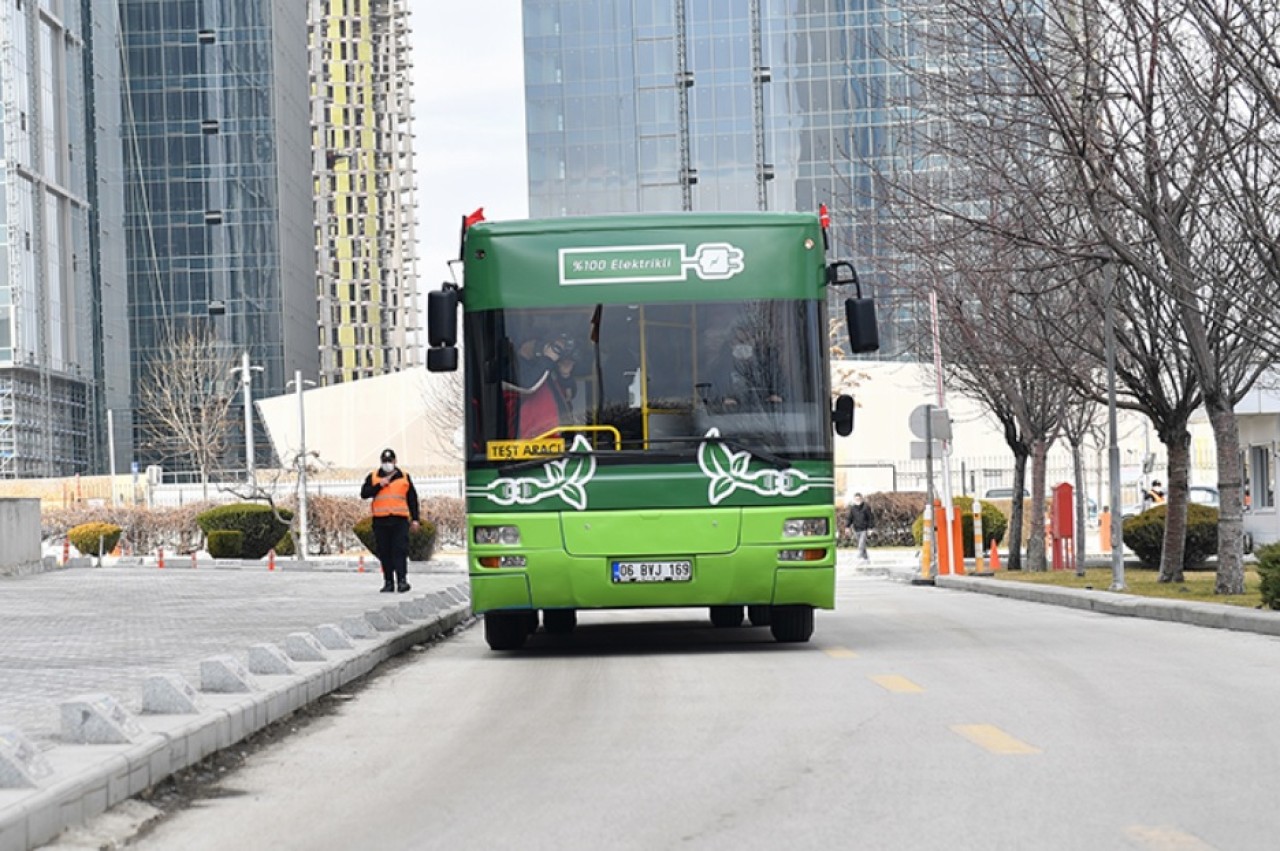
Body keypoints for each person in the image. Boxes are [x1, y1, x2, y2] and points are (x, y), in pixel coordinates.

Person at [360, 448, 420, 593]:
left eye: (390, 461)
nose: (387, 463)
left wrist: (415, 519)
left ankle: (402, 581)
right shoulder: (373, 476)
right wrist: (379, 485)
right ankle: (388, 582)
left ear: (395, 461)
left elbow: (412, 499)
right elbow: (364, 494)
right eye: (385, 461)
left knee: (400, 550)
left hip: (399, 520)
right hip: (381, 521)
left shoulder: (404, 477)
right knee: (384, 552)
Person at [502, 333, 577, 438]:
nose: (541, 346)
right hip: (530, 439)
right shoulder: (511, 366)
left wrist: (565, 375)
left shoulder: (543, 366)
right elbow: (528, 386)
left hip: (556, 436)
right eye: (537, 342)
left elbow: (569, 395)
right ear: (524, 343)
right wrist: (548, 359)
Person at [702, 323, 783, 410]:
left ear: (754, 341)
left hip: (764, 414)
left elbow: (782, 388)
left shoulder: (767, 366)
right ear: (731, 343)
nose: (744, 345)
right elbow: (712, 395)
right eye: (740, 341)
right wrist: (722, 401)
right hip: (731, 414)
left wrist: (775, 397)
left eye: (747, 340)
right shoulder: (719, 369)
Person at [847, 493, 875, 563]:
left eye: (859, 499)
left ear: (862, 499)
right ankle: (866, 558)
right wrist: (847, 527)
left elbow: (870, 518)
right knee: (862, 545)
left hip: (864, 529)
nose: (858, 500)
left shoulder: (866, 507)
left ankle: (858, 557)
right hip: (856, 529)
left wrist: (870, 528)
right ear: (854, 499)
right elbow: (850, 518)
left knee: (861, 544)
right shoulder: (852, 508)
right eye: (856, 499)